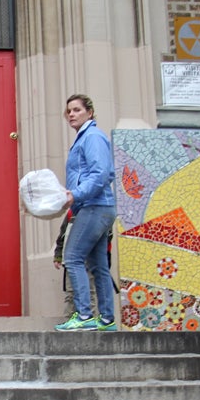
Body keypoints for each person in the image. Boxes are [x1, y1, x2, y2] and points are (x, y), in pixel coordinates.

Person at [55, 94, 117, 332]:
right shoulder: (87, 137)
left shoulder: (91, 137)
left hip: (94, 206)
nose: (71, 114)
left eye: (77, 110)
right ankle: (106, 319)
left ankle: (84, 316)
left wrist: (75, 195)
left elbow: (100, 173)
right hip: (98, 207)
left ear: (90, 113)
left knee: (72, 257)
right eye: (68, 110)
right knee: (98, 265)